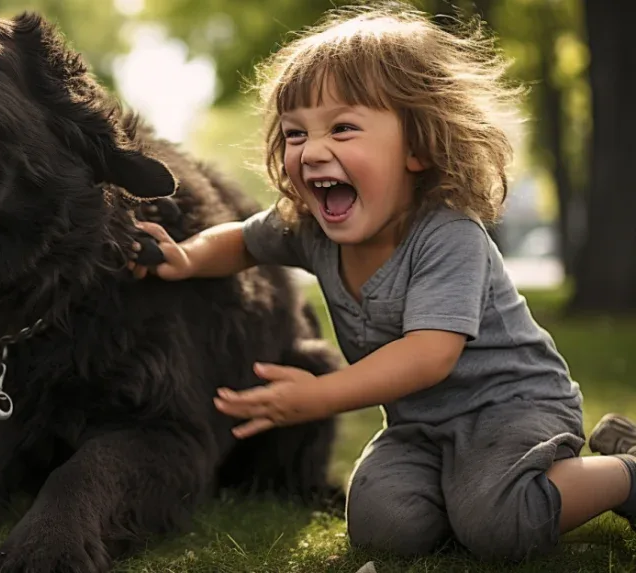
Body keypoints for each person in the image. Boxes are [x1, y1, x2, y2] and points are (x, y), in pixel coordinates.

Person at [128, 2, 636, 563]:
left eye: (342, 128)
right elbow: (244, 242)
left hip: (512, 408)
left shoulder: (447, 235)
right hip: (421, 427)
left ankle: (626, 472)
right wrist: (188, 257)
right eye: (296, 133)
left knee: (499, 524)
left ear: (418, 147)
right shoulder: (311, 227)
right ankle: (478, 490)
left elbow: (428, 356)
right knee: (382, 526)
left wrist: (318, 395)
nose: (312, 150)